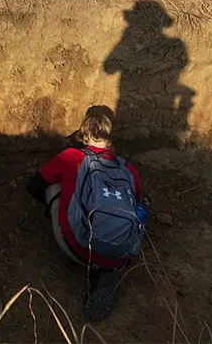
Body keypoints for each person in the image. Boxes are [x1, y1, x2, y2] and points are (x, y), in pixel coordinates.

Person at [27, 109, 144, 321]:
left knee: (52, 188)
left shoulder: (71, 157)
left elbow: (34, 185)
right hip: (122, 253)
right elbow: (139, 204)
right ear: (109, 138)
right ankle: (106, 269)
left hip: (77, 247)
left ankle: (71, 246)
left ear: (85, 135)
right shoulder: (128, 169)